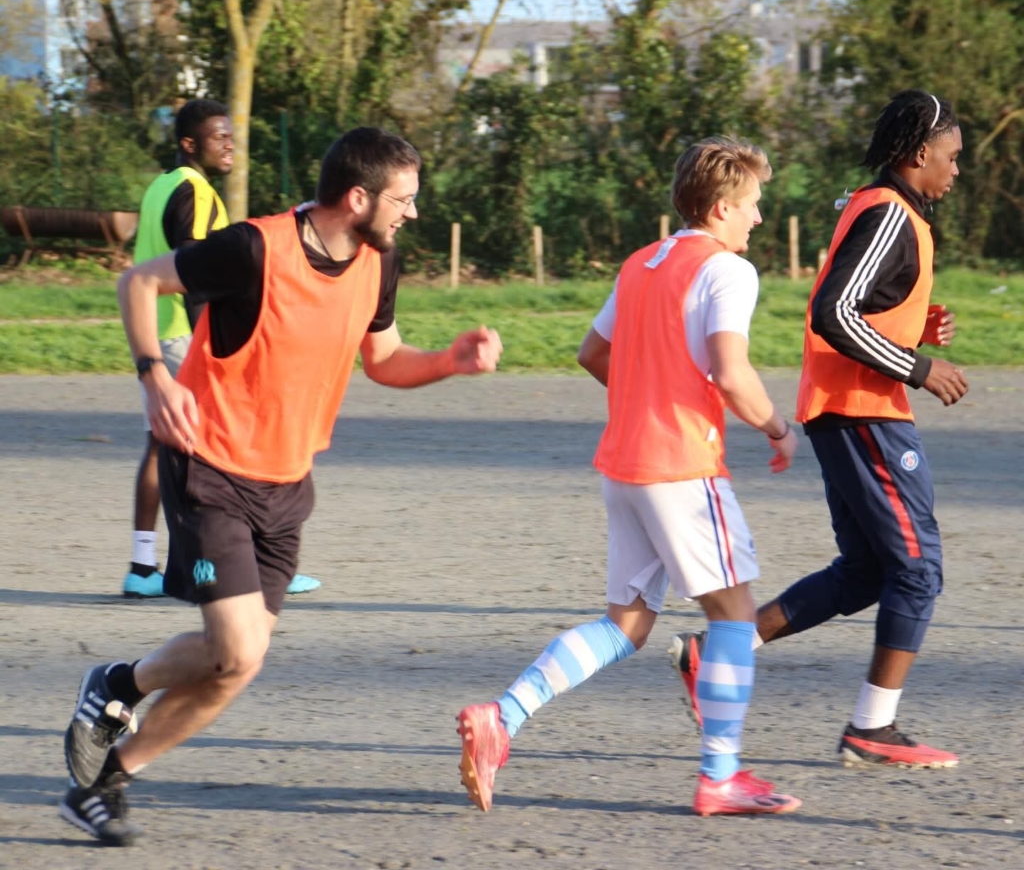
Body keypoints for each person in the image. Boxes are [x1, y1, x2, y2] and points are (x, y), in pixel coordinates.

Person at [61, 127, 503, 846]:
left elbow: (384, 359)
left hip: (287, 480)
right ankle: (117, 690)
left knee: (237, 664)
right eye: (404, 200)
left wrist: (448, 362)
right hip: (210, 464)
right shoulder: (253, 248)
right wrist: (154, 377)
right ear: (357, 198)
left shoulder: (377, 261)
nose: (413, 213)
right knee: (235, 647)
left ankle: (110, 759)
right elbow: (137, 282)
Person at [457, 137, 802, 817]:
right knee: (735, 615)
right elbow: (731, 373)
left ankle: (504, 716)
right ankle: (721, 776)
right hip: (684, 470)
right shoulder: (729, 271)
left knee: (627, 626)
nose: (759, 218)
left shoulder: (642, 262)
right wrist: (778, 428)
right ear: (723, 206)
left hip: (625, 465)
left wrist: (647, 396)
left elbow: (593, 352)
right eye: (753, 204)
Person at [670, 90, 967, 770]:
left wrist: (915, 323)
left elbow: (862, 304)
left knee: (867, 572)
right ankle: (873, 728)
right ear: (919, 153)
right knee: (918, 570)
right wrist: (918, 366)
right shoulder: (888, 212)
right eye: (951, 157)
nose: (955, 170)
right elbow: (834, 312)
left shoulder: (889, 210)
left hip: (846, 412)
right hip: (863, 413)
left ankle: (715, 653)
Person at [124, 98, 320, 600]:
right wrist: (215, 349)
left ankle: (142, 567)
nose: (230, 144)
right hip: (185, 338)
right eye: (219, 137)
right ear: (190, 144)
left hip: (157, 333)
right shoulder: (196, 191)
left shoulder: (160, 186)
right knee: (227, 449)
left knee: (162, 446)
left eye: (231, 135)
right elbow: (195, 274)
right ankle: (247, 564)